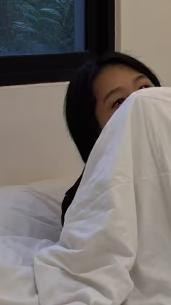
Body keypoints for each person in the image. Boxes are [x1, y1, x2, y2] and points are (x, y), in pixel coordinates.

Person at [61, 52, 160, 222]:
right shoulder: (86, 204)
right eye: (119, 101)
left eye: (144, 88)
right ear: (94, 129)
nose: (141, 101)